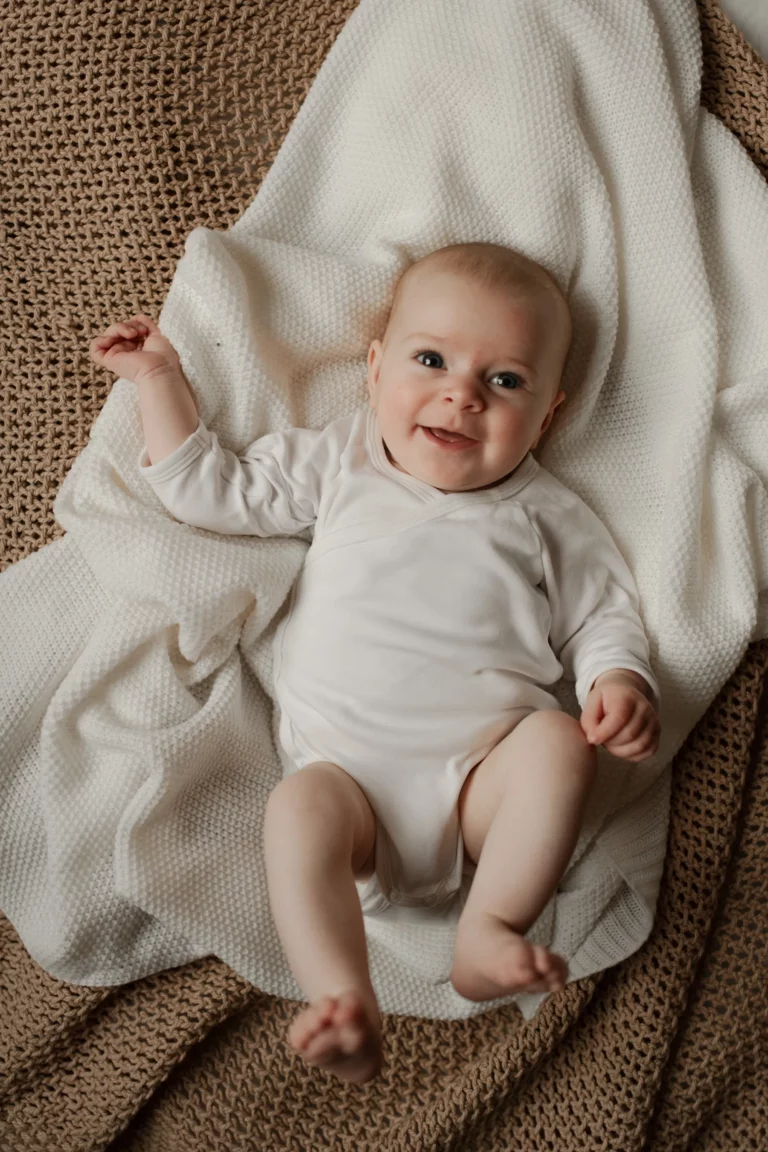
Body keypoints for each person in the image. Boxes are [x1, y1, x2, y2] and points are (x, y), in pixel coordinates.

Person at [90, 242, 661, 1085]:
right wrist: (158, 380)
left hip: (480, 791)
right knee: (297, 807)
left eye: (504, 381)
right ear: (373, 369)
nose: (460, 393)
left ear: (546, 417)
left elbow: (604, 620)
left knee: (556, 743)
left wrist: (619, 683)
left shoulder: (549, 515)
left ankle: (490, 929)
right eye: (429, 360)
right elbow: (212, 490)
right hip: (347, 787)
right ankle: (342, 999)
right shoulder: (341, 462)